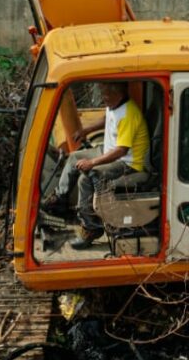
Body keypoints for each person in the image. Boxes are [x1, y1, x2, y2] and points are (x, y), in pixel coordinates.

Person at [43, 82, 150, 249]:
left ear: (119, 93)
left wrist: (92, 163)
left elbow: (121, 151)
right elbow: (108, 118)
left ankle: (91, 228)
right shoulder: (115, 104)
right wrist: (86, 130)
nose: (103, 99)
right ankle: (59, 199)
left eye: (106, 95)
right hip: (108, 149)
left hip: (127, 162)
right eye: (102, 94)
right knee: (73, 159)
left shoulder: (129, 115)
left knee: (85, 179)